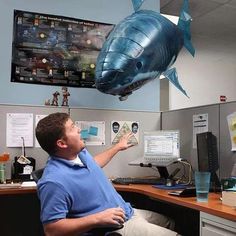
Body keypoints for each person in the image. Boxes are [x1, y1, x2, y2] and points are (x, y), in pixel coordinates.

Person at [35, 112, 177, 236]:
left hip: (127, 211)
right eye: (72, 128)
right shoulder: (54, 182)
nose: (78, 129)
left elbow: (94, 164)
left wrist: (117, 147)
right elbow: (52, 230)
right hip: (114, 227)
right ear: (62, 144)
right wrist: (97, 219)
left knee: (170, 222)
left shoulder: (78, 154)